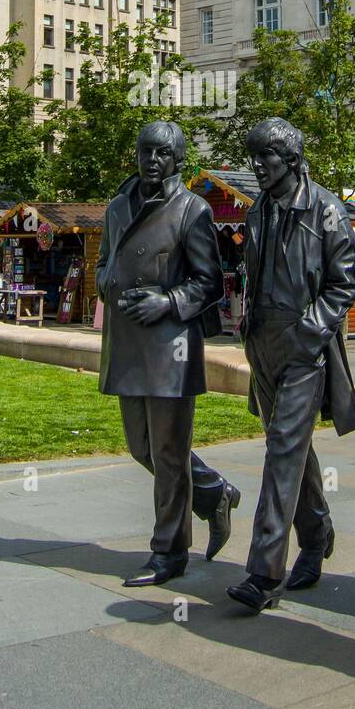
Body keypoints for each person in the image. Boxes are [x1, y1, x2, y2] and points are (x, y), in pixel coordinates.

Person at [227, 117, 355, 614]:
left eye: (267, 156)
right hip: (262, 340)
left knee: (283, 448)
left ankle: (264, 571)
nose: (259, 165)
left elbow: (348, 280)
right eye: (254, 157)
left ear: (292, 158)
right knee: (287, 444)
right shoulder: (258, 210)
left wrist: (311, 329)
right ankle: (316, 530)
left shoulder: (325, 209)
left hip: (303, 344)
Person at [96, 120, 241, 586]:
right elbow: (104, 261)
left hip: (170, 347)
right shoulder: (118, 207)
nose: (152, 161)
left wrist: (169, 301)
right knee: (143, 448)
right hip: (126, 343)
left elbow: (209, 281)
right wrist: (105, 282)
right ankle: (215, 492)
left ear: (178, 159)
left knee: (169, 454)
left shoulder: (191, 210)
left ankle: (169, 551)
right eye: (145, 152)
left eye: (162, 153)